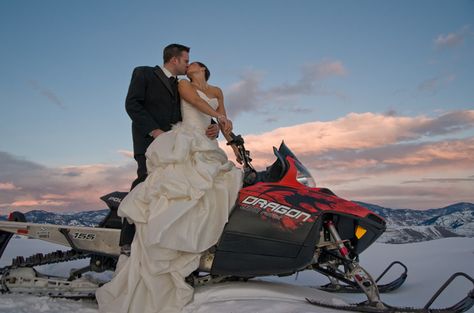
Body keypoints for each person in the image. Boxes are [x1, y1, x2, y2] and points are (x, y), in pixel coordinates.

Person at [96, 62, 242, 313]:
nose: (189, 64)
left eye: (193, 62)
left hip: (207, 144)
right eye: (187, 60)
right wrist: (217, 117)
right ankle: (156, 242)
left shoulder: (217, 91)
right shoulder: (184, 85)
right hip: (187, 140)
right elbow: (196, 104)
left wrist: (232, 142)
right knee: (176, 187)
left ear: (204, 68)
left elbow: (224, 122)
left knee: (220, 184)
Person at [120, 44, 219, 253]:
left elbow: (194, 110)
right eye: (185, 60)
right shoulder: (144, 73)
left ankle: (166, 237)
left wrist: (213, 127)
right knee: (145, 183)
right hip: (149, 142)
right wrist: (154, 131)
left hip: (178, 147)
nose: (187, 64)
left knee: (176, 190)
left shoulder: (182, 85)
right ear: (174, 60)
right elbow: (132, 105)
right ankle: (126, 241)